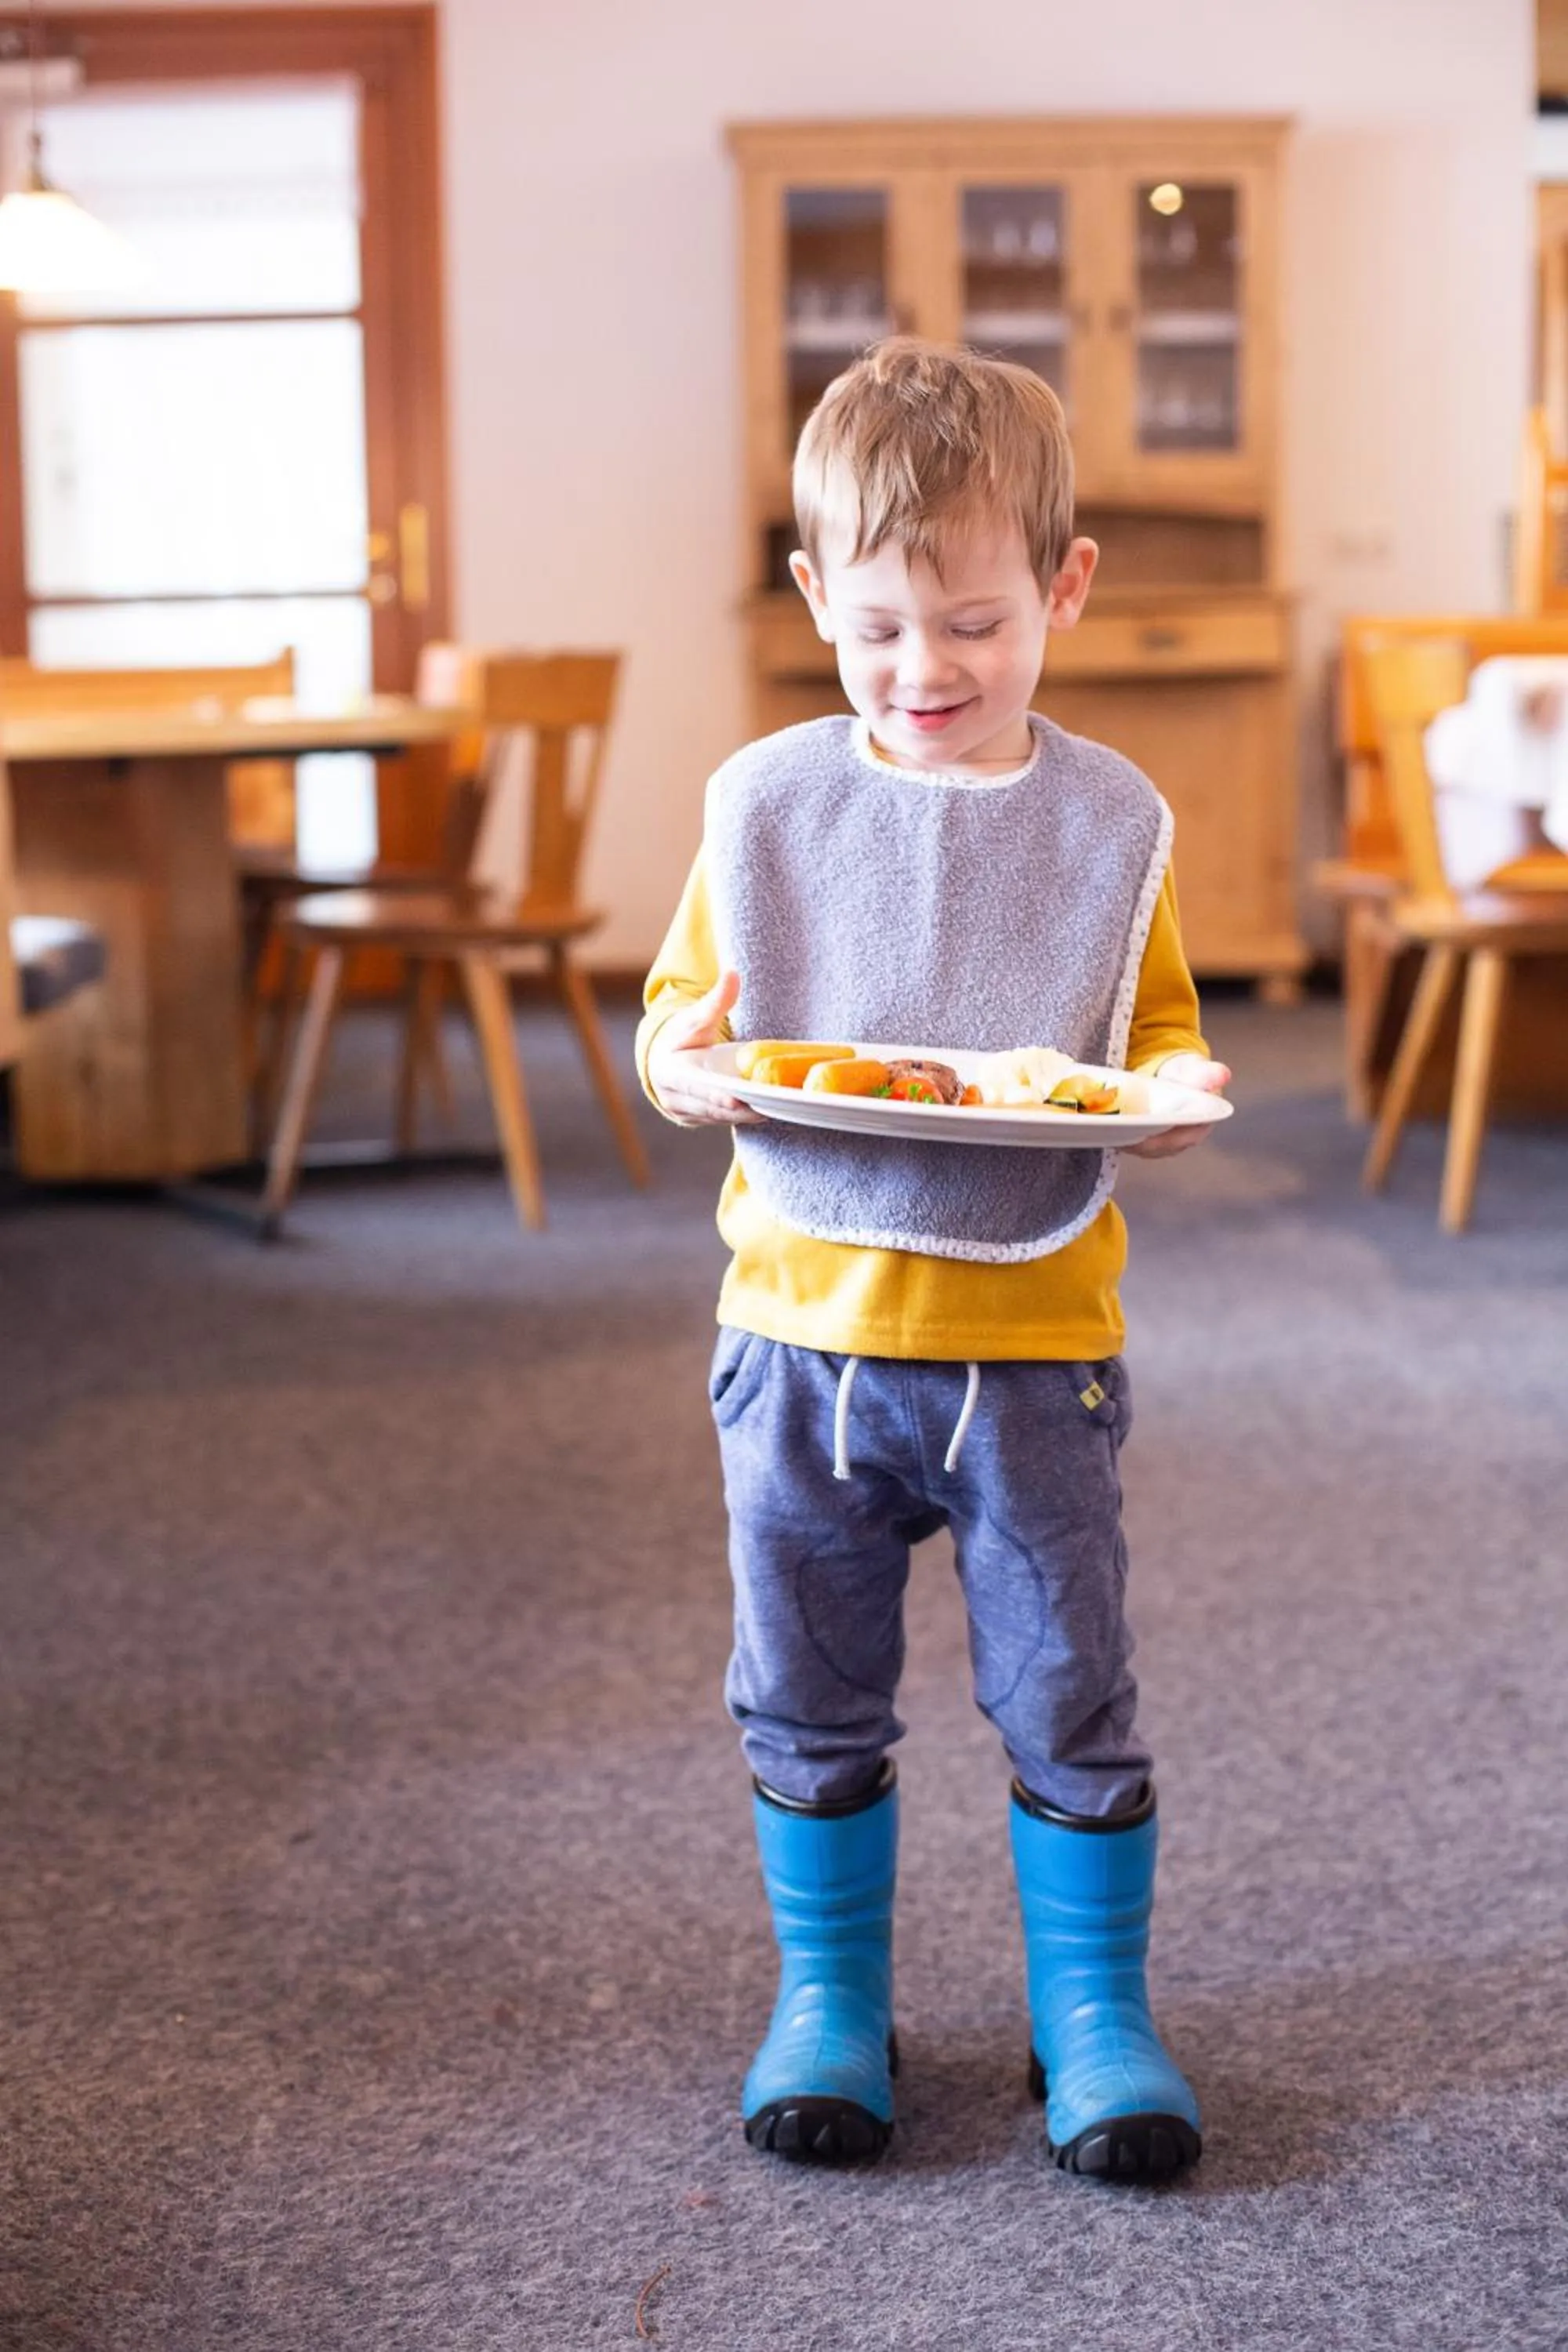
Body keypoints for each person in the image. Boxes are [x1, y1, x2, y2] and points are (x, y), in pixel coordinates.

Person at [635, 337, 1231, 2183]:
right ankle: (830, 1996)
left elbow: (1149, 1032)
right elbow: (681, 1014)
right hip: (797, 1338)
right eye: (881, 626)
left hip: (1032, 1345)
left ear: (1063, 587)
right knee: (803, 1690)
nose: (925, 671)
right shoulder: (765, 802)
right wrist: (677, 1061)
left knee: (1068, 1688)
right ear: (814, 594)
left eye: (975, 623)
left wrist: (1170, 1092)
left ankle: (1092, 2014)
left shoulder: (1109, 823)